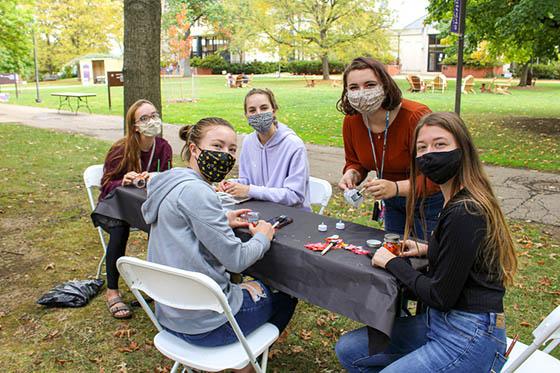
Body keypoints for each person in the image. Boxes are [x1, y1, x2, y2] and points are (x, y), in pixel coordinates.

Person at [335, 112, 518, 372]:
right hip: (441, 320)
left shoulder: (465, 210)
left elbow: (439, 296)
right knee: (349, 350)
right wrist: (431, 249)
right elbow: (465, 255)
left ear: (462, 149)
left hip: (470, 333)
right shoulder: (456, 198)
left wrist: (393, 263)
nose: (429, 153)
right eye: (422, 148)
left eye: (440, 144)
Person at [142, 117, 297, 371]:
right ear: (194, 149)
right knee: (287, 293)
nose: (225, 155)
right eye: (217, 146)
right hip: (208, 326)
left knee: (248, 286)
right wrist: (263, 236)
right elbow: (237, 260)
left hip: (170, 316)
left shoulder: (171, 182)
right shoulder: (198, 192)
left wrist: (221, 219)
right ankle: (246, 361)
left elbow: (181, 222)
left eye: (232, 149)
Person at [337, 57, 443, 239]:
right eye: (354, 87)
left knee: (426, 258)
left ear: (385, 86)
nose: (361, 93)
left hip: (428, 201)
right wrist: (352, 173)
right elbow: (355, 161)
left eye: (370, 85)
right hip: (392, 201)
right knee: (393, 251)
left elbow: (438, 175)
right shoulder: (352, 121)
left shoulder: (415, 117)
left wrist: (395, 187)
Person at [99, 99, 172, 319]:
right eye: (145, 118)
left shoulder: (163, 147)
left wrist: (156, 177)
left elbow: (167, 176)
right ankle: (112, 291)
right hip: (115, 207)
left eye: (154, 115)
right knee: (119, 230)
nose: (152, 121)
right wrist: (124, 180)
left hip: (143, 207)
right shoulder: (122, 148)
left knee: (162, 224)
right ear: (135, 126)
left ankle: (155, 284)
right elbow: (105, 184)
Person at [218, 88, 311, 210]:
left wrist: (250, 190)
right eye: (252, 110)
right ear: (246, 115)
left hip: (291, 214)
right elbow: (247, 181)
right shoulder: (248, 142)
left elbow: (295, 196)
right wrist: (231, 184)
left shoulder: (293, 145)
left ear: (274, 110)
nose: (258, 113)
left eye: (264, 108)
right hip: (259, 210)